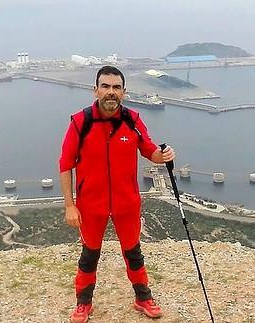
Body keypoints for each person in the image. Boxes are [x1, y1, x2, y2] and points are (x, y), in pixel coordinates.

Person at [59, 65, 175, 323]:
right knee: (89, 254)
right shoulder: (80, 122)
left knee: (134, 252)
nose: (111, 92)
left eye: (116, 87)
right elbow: (65, 165)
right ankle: (83, 303)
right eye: (106, 86)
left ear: (124, 92)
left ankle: (143, 297)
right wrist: (70, 205)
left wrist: (163, 155)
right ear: (96, 90)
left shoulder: (132, 120)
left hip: (127, 203)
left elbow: (150, 151)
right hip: (90, 205)